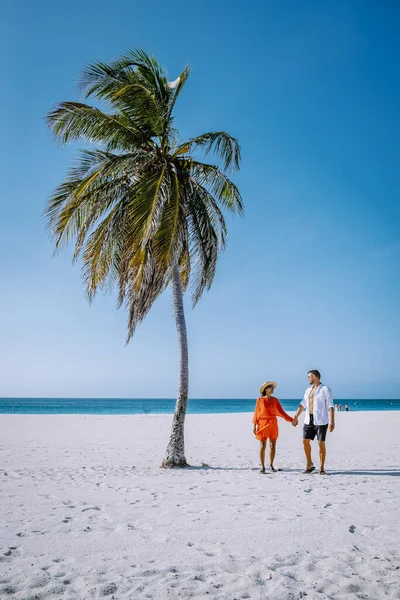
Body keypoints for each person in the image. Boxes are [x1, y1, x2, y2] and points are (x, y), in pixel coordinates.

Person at [292, 370, 335, 475]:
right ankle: (309, 464)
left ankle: (321, 468)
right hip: (308, 419)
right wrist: (296, 417)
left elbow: (330, 406)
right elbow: (302, 405)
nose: (308, 379)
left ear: (315, 377)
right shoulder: (308, 390)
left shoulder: (325, 389)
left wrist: (332, 422)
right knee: (305, 441)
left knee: (321, 443)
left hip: (321, 420)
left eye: (309, 377)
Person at [253, 381, 294, 474]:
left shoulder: (275, 400)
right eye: (270, 387)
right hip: (262, 423)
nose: (272, 389)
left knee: (272, 445)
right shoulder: (259, 400)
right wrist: (255, 425)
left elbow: (281, 412)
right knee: (263, 446)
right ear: (265, 389)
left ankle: (271, 465)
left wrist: (291, 420)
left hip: (273, 424)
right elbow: (256, 413)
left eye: (273, 387)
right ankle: (262, 467)